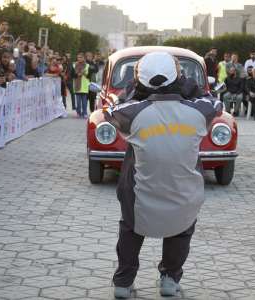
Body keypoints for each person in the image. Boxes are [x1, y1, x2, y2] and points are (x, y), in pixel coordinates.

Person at [104, 51, 222, 299]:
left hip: (140, 197)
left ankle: (123, 284)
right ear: (177, 77)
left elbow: (112, 109)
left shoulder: (130, 113)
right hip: (184, 194)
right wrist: (182, 83)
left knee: (130, 228)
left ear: (140, 80)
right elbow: (214, 101)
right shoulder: (201, 111)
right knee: (181, 228)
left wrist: (139, 88)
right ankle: (169, 280)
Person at [71, 52, 90, 118]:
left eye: (81, 57)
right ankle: (78, 112)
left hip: (84, 86)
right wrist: (77, 74)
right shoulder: (74, 65)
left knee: (84, 102)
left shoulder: (87, 65)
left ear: (84, 58)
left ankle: (84, 113)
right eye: (78, 57)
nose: (79, 59)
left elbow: (88, 74)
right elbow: (72, 74)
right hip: (77, 85)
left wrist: (83, 73)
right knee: (78, 102)